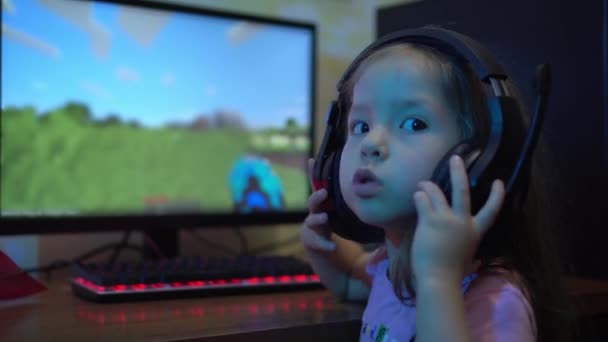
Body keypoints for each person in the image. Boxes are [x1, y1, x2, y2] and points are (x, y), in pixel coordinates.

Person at [300, 31, 575, 342]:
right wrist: (323, 243)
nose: (371, 144)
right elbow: (349, 281)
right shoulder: (390, 268)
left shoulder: (494, 300)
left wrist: (439, 281)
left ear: (480, 160)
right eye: (360, 126)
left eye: (413, 123)